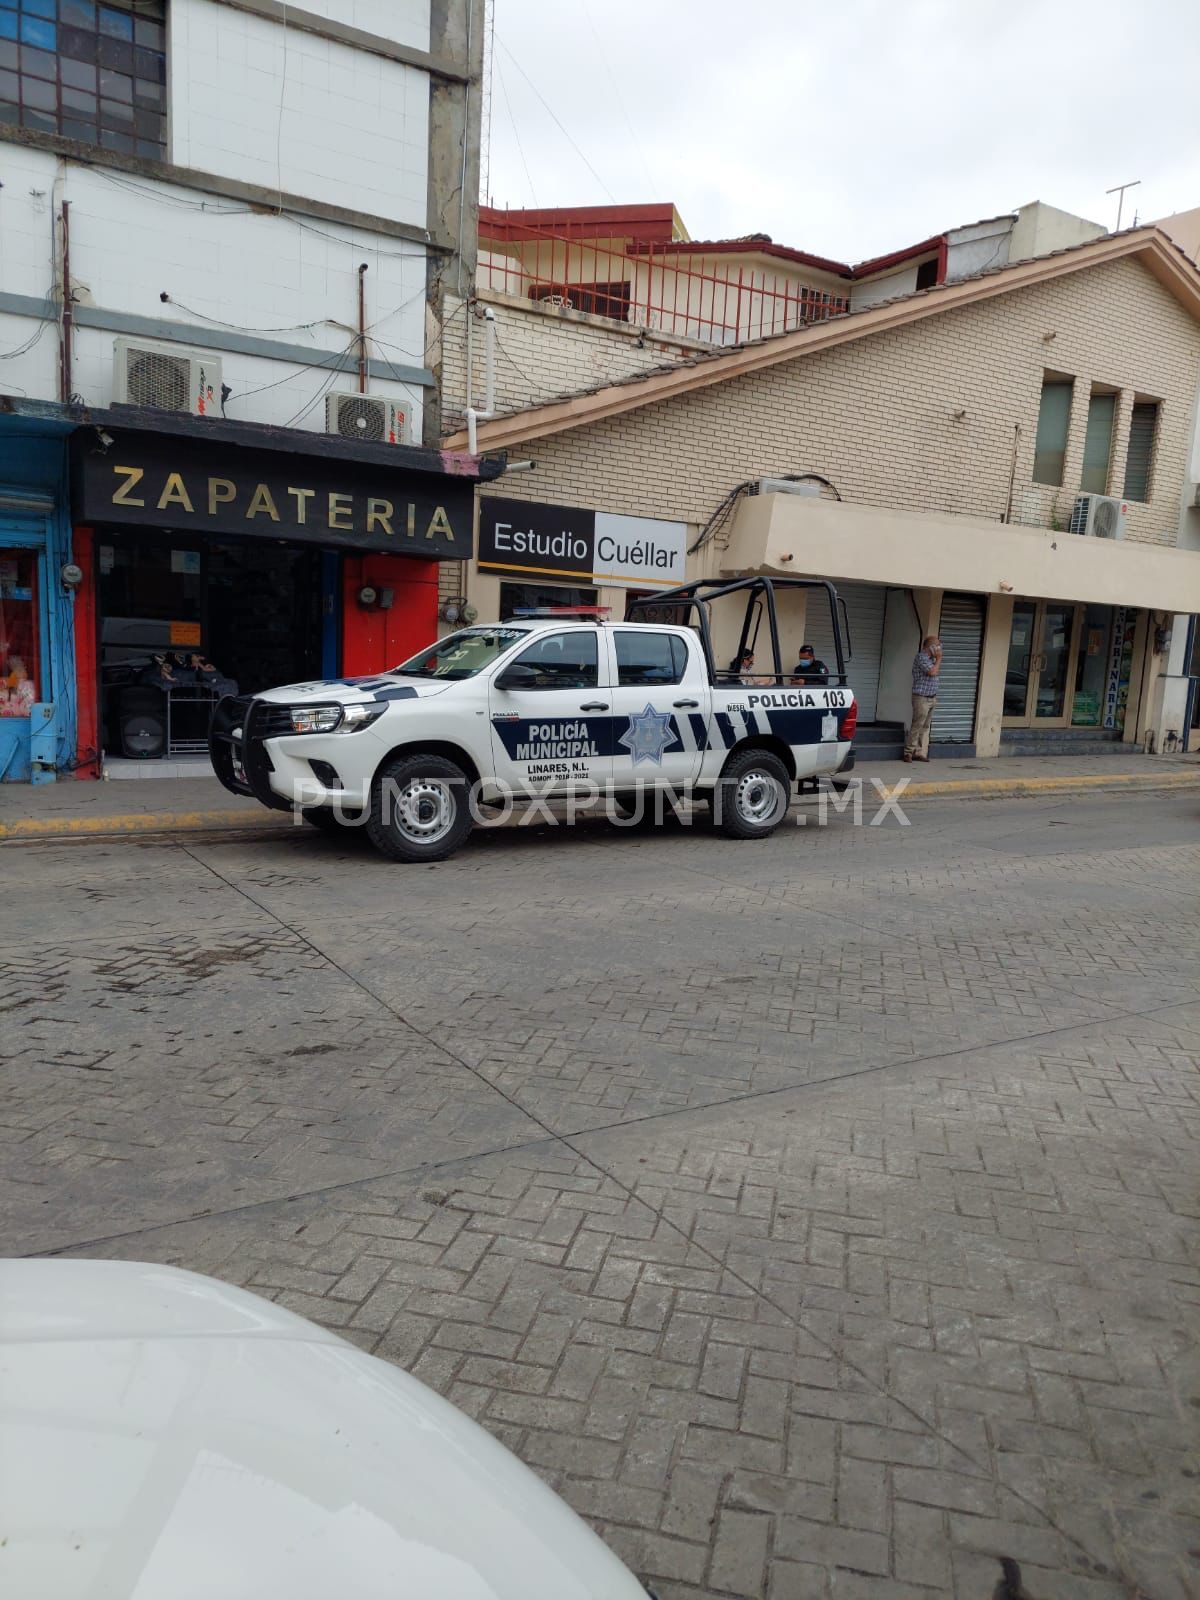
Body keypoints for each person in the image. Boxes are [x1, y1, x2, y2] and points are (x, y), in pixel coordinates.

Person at [904, 634, 942, 762]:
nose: (939, 649)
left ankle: (918, 752)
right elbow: (932, 672)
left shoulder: (932, 659)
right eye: (937, 646)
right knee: (917, 725)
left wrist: (936, 659)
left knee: (924, 727)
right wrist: (939, 659)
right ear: (930, 647)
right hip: (921, 698)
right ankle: (908, 752)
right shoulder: (921, 658)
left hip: (931, 698)